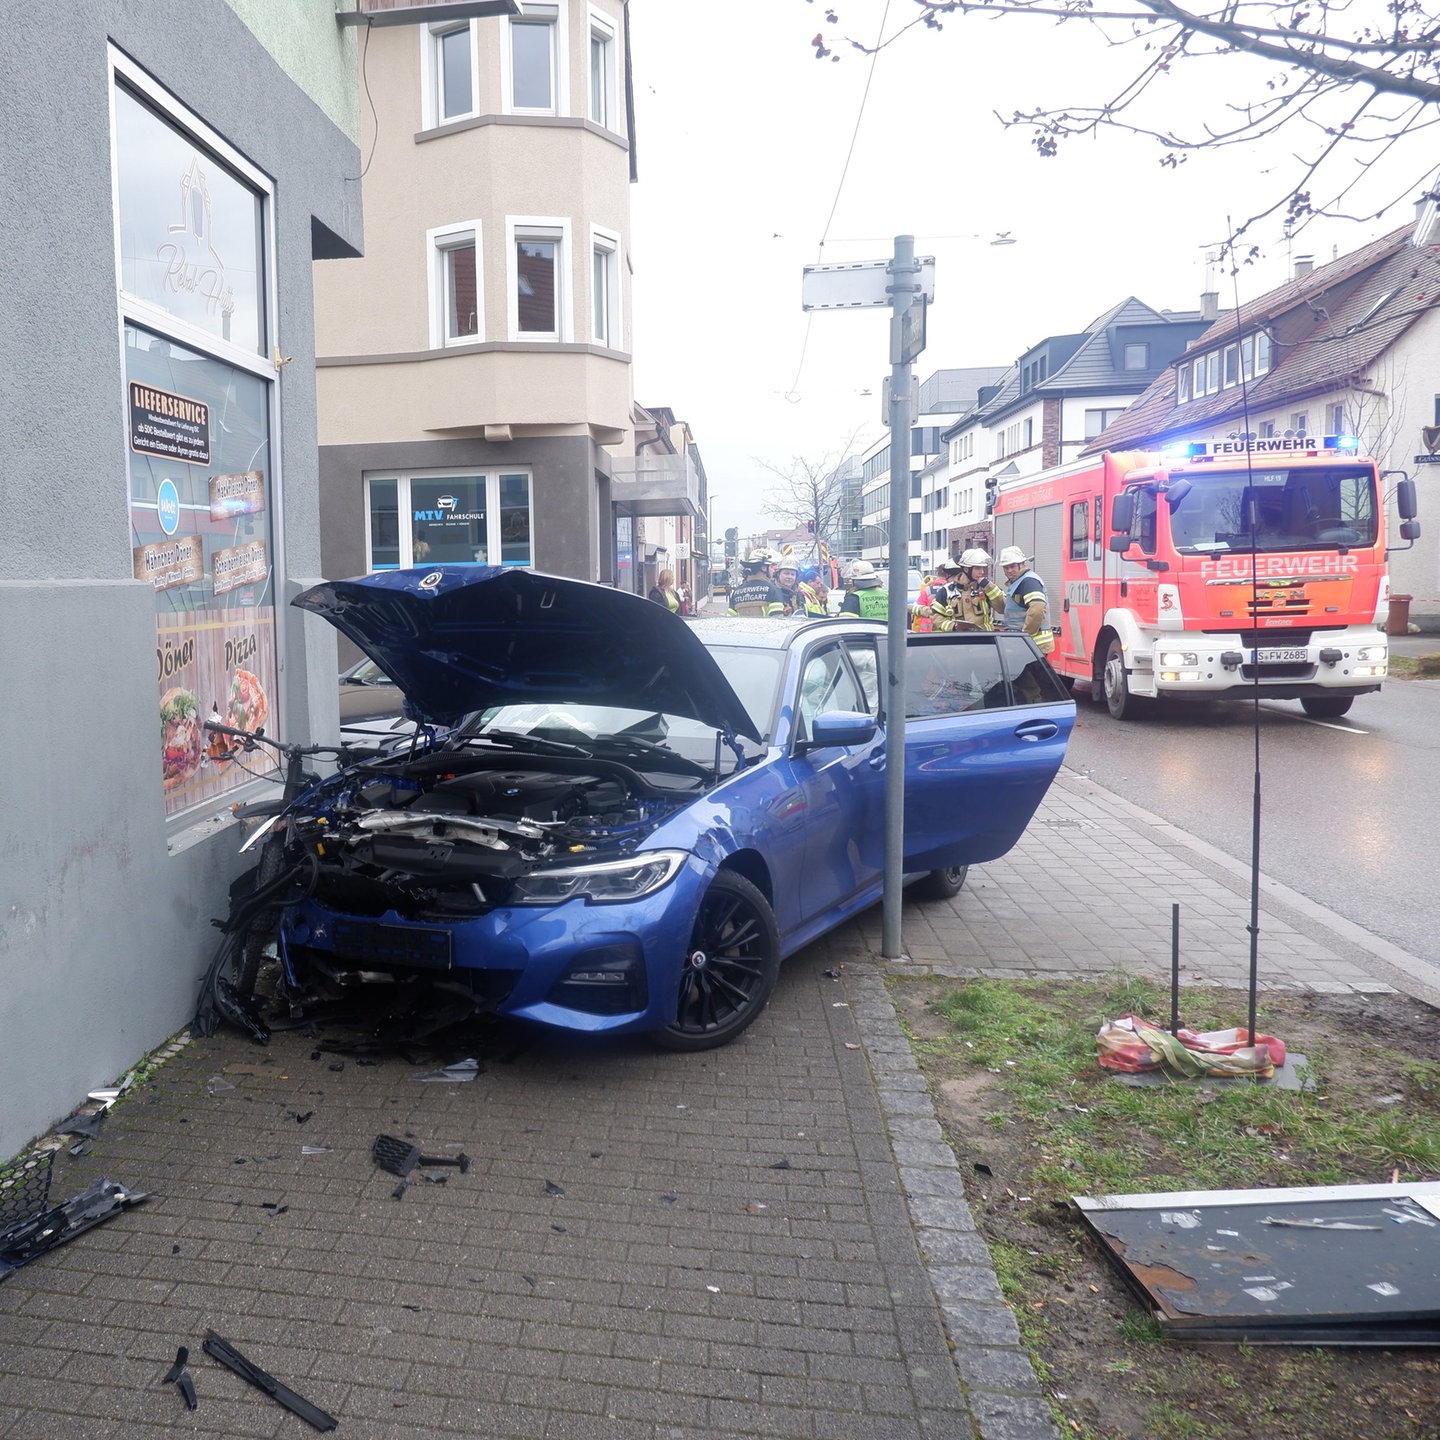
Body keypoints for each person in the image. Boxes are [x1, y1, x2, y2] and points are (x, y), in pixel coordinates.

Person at [996, 545, 1054, 658]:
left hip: (1032, 644)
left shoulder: (1028, 581)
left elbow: (1037, 609)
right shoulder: (1021, 581)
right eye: (1006, 568)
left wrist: (1025, 636)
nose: (1009, 571)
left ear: (1022, 564)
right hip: (1030, 645)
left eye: (1012, 566)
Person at [727, 548, 786, 617]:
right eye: (771, 567)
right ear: (764, 568)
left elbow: (730, 620)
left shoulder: (736, 592)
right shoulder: (773, 590)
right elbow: (777, 620)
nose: (773, 570)